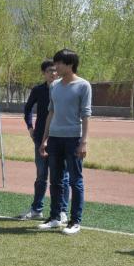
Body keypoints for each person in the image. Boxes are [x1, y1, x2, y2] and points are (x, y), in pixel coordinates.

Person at [38, 49, 92, 235]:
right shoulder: (54, 86)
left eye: (59, 63)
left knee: (75, 181)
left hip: (73, 139)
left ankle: (75, 221)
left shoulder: (83, 86)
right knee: (55, 180)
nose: (56, 67)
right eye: (55, 63)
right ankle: (54, 217)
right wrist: (44, 139)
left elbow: (86, 115)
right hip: (55, 139)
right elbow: (51, 113)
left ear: (70, 64)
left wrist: (83, 142)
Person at [19, 60, 69, 221]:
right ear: (44, 73)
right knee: (41, 175)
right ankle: (36, 209)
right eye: (49, 71)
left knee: (63, 176)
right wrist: (30, 128)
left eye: (55, 70)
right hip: (41, 137)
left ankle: (62, 211)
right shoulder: (38, 90)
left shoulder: (64, 89)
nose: (53, 73)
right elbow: (27, 109)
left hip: (60, 137)